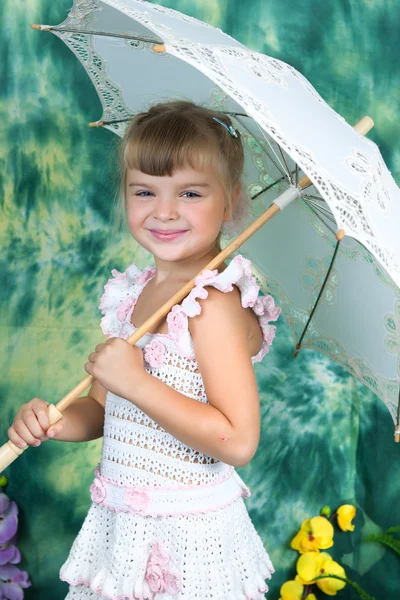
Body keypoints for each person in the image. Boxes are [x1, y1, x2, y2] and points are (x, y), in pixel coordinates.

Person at [8, 101, 281, 600]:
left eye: (191, 193)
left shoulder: (213, 305)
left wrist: (136, 381)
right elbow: (102, 411)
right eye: (145, 191)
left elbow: (237, 440)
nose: (165, 210)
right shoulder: (132, 295)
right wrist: (56, 421)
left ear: (231, 202)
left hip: (185, 535)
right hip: (123, 525)